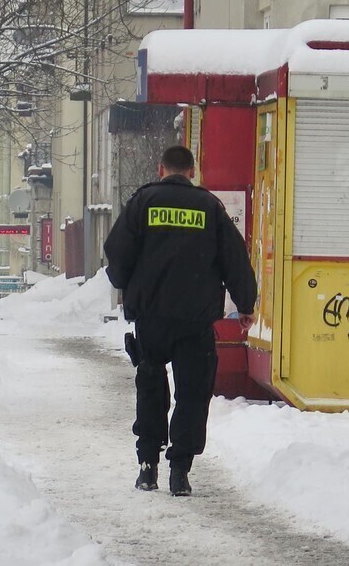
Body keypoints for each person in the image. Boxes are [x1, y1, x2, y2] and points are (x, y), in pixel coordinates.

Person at [104, 145, 257, 497]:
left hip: (152, 317)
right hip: (195, 319)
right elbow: (235, 258)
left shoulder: (143, 203)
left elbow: (117, 253)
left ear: (161, 169)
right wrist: (245, 303)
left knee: (151, 384)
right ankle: (180, 471)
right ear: (192, 171)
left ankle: (147, 466)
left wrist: (124, 282)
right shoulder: (209, 207)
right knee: (192, 393)